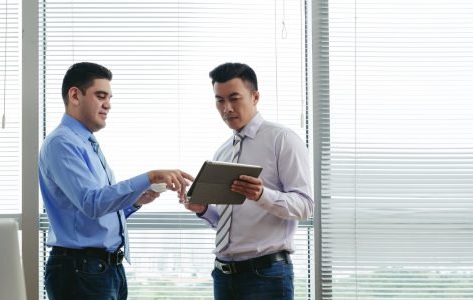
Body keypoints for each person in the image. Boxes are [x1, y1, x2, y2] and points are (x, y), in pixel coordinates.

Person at [39, 62, 194, 300]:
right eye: (100, 96)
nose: (108, 105)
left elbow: (96, 208)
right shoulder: (62, 143)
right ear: (74, 95)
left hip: (104, 269)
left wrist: (136, 201)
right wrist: (149, 177)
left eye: (110, 97)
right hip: (81, 270)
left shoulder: (86, 144)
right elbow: (91, 203)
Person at [183, 62, 314, 300]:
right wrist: (203, 209)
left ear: (255, 97)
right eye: (219, 100)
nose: (227, 108)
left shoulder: (282, 140)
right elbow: (227, 221)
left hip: (265, 275)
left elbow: (305, 206)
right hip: (223, 274)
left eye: (234, 98)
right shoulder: (223, 152)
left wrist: (262, 195)